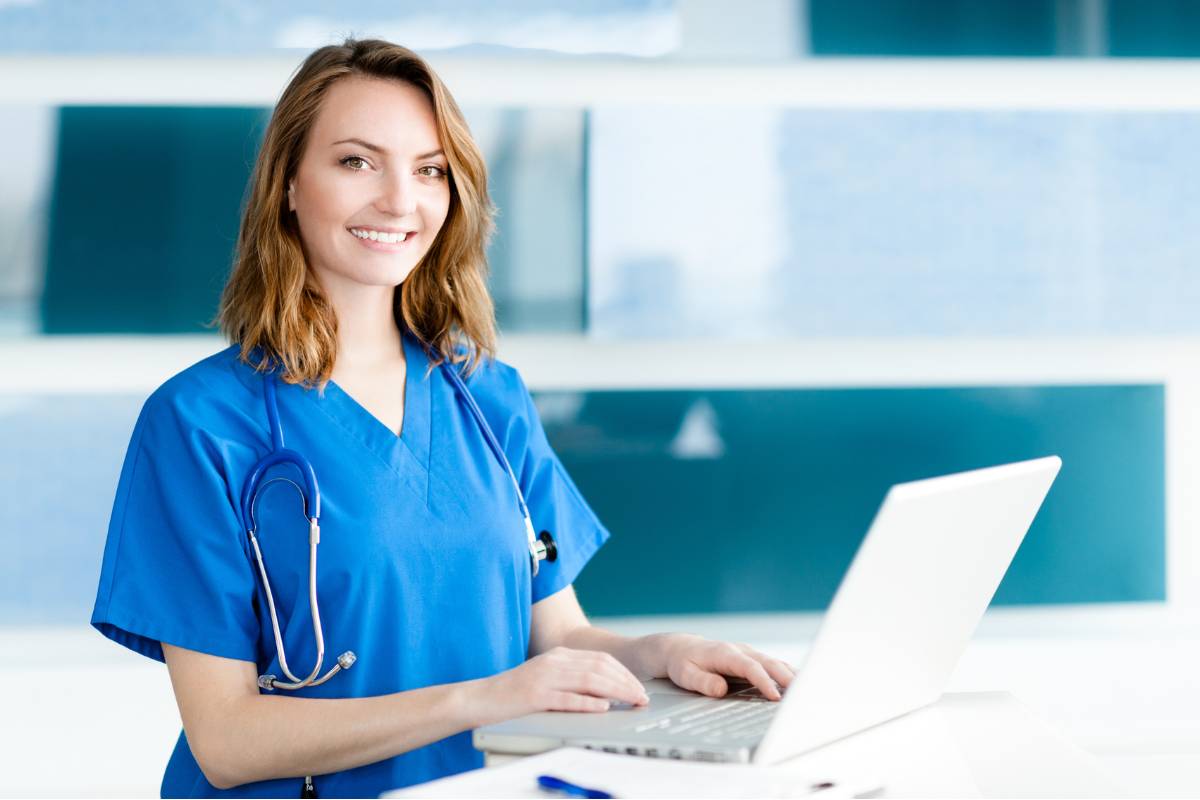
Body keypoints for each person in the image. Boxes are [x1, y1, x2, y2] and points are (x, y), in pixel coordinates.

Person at [90, 38, 794, 798]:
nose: (400, 200)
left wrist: (662, 653)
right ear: (288, 184)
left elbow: (556, 637)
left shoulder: (488, 397)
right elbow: (226, 740)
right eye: (358, 162)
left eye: (429, 169)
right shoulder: (200, 425)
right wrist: (481, 701)